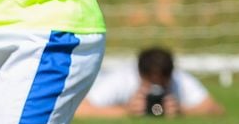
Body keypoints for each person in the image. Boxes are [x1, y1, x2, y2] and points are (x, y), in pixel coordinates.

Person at [77, 46, 225, 118]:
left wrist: (181, 110)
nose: (156, 90)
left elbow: (215, 108)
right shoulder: (121, 79)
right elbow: (80, 110)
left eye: (161, 84)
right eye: (150, 83)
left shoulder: (179, 79)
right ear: (140, 75)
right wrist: (127, 111)